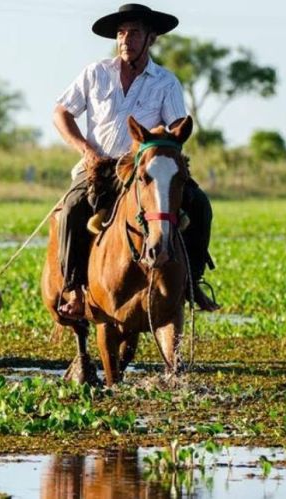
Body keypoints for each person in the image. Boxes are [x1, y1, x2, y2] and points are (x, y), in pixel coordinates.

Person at [53, 3, 219, 319]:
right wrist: (86, 151)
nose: (126, 39)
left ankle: (192, 282)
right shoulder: (95, 73)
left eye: (135, 32)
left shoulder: (166, 81)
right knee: (72, 209)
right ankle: (73, 289)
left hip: (144, 167)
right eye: (121, 32)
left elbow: (175, 127)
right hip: (99, 167)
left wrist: (160, 143)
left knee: (199, 204)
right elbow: (61, 112)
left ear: (151, 39)